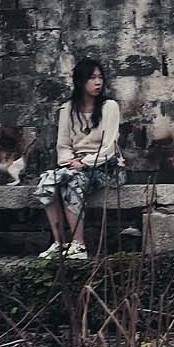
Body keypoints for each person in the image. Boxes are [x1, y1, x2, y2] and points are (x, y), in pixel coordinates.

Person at [33, 56, 125, 260]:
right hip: (75, 164)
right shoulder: (67, 109)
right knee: (48, 181)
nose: (97, 82)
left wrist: (84, 163)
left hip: (106, 167)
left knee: (71, 183)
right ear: (80, 81)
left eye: (100, 77)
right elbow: (63, 145)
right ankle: (58, 243)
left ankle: (78, 244)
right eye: (92, 78)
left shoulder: (110, 107)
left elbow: (109, 147)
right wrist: (71, 162)